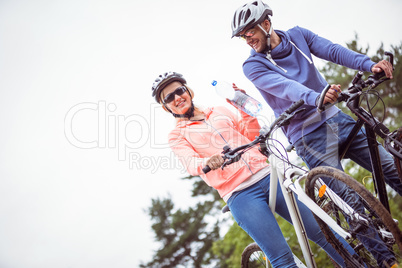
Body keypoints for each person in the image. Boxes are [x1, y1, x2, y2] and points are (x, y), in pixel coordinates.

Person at [231, 1, 400, 267]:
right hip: (307, 136)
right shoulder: (252, 65)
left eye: (249, 32)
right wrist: (316, 96)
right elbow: (284, 86)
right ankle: (387, 262)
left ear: (265, 24)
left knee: (391, 166)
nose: (247, 39)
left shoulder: (299, 35)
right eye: (242, 36)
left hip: (336, 120)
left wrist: (369, 65)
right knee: (348, 197)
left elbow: (332, 50)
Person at [152, 71, 357, 267]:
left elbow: (250, 136)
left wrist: (243, 106)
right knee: (282, 258)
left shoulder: (219, 110)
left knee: (323, 232)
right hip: (240, 194)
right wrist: (207, 162)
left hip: (268, 175)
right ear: (165, 107)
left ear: (188, 91)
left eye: (179, 91)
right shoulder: (177, 135)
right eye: (170, 97)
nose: (177, 97)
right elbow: (190, 162)